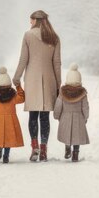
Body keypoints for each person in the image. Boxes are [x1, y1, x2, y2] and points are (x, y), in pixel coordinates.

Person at [13, 10, 61, 162]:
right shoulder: (54, 37)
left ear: (36, 20)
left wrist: (16, 78)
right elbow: (57, 63)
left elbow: (23, 59)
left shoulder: (28, 35)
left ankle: (34, 147)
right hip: (49, 80)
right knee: (45, 116)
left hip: (32, 80)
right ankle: (44, 149)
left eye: (31, 20)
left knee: (33, 115)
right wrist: (59, 84)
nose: (30, 23)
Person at [54, 63, 89, 162]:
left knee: (67, 134)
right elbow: (85, 107)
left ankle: (68, 148)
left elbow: (58, 105)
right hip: (78, 118)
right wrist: (85, 117)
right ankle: (75, 154)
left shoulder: (62, 92)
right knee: (76, 136)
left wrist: (56, 115)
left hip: (65, 117)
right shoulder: (82, 93)